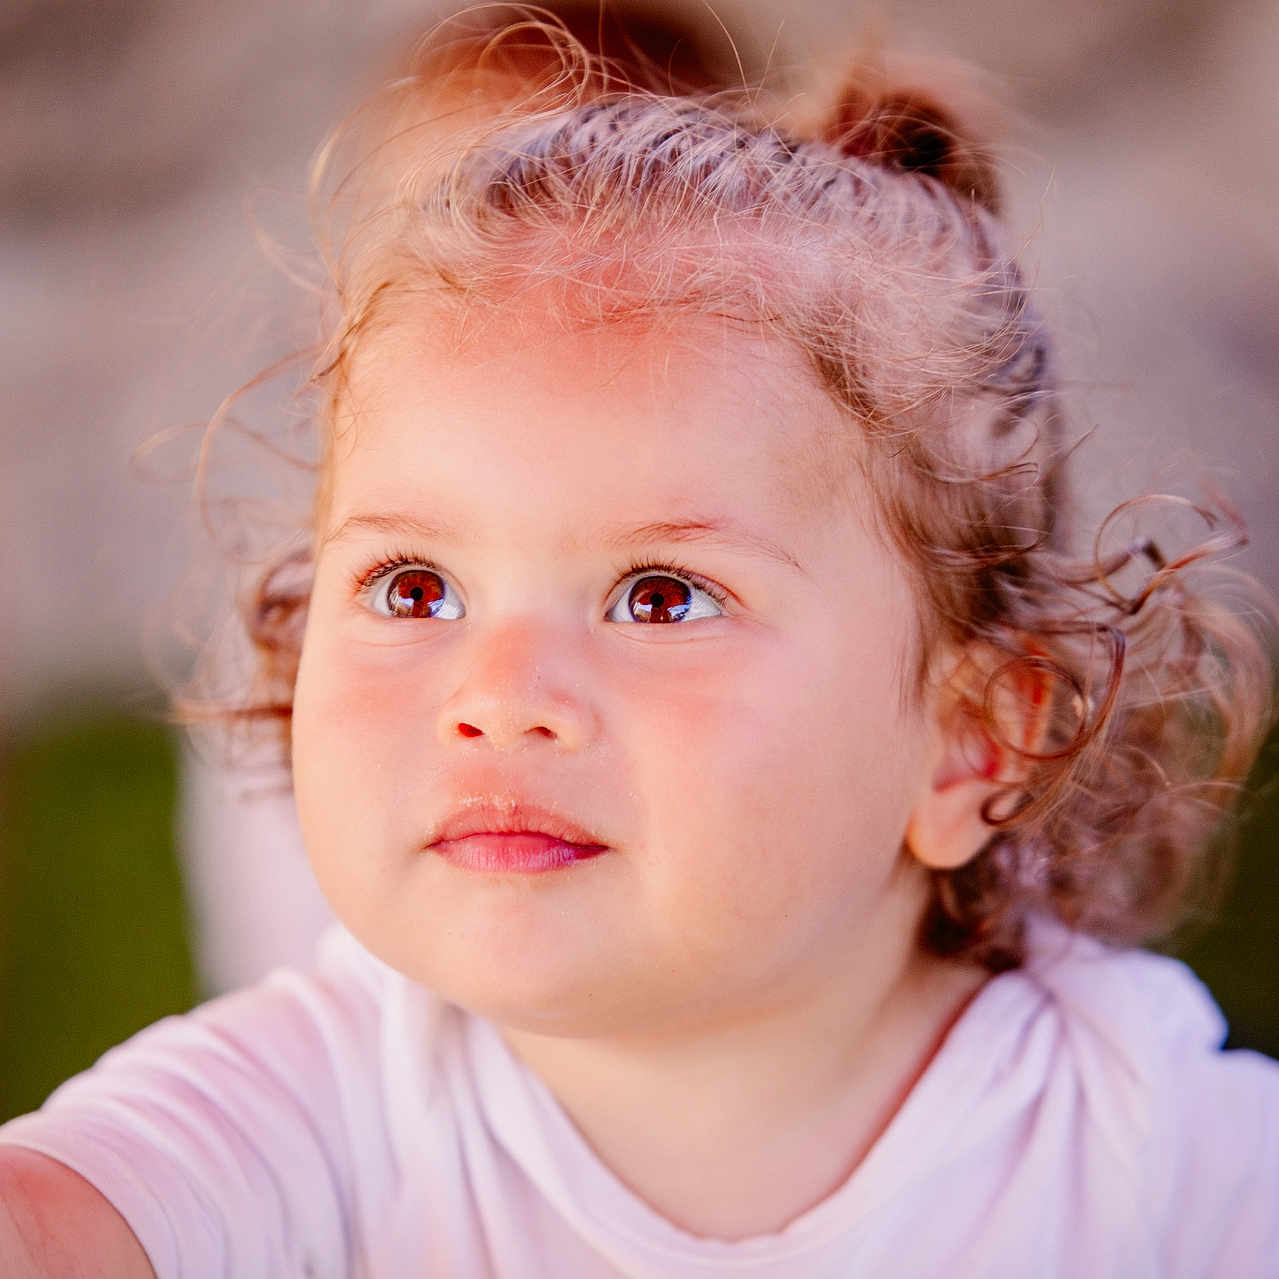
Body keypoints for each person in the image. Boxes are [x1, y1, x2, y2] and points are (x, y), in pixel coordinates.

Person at [2, 5, 1276, 1274]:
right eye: (414, 588)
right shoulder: (314, 1108)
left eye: (659, 596)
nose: (499, 693)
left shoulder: (1145, 1154)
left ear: (968, 740)